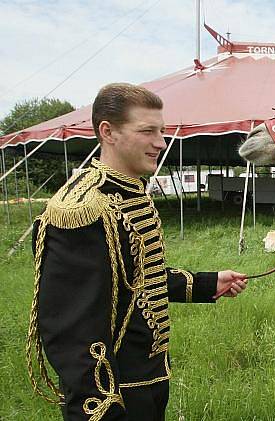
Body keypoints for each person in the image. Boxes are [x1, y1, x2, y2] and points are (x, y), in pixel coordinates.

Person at [27, 83, 248, 421]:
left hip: (148, 378)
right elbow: (72, 332)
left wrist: (206, 283)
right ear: (108, 132)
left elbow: (136, 278)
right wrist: (101, 409)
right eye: (147, 131)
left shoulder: (131, 190)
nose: (161, 142)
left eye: (160, 130)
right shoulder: (82, 210)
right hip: (115, 394)